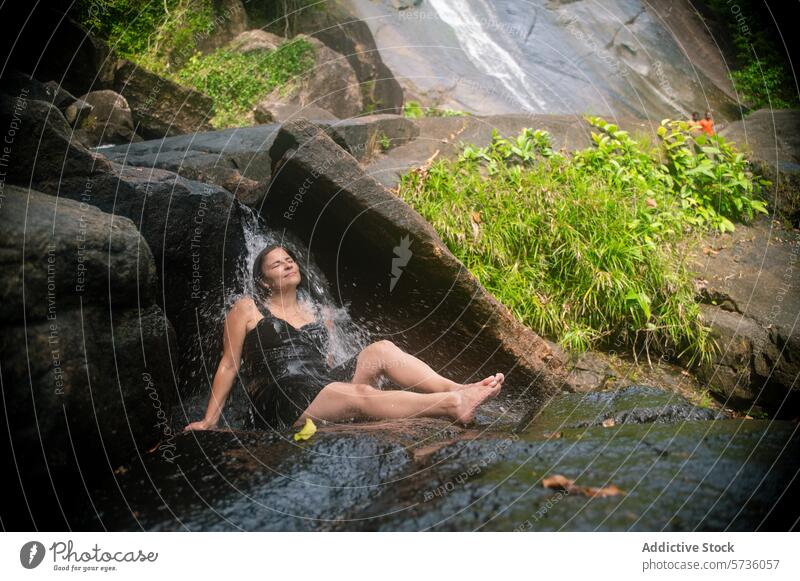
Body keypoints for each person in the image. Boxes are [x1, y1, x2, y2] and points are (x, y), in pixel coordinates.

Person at [183, 244, 505, 432]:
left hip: (320, 384)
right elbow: (229, 364)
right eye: (276, 264)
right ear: (264, 281)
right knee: (358, 393)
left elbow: (328, 366)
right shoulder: (247, 309)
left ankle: (458, 388)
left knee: (380, 349)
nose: (287, 264)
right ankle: (451, 405)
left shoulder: (319, 315)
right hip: (285, 396)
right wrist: (209, 419)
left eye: (289, 259)